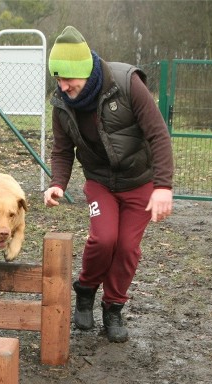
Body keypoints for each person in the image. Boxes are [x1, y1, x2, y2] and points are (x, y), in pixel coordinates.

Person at [43, 26, 174, 343]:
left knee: (127, 247)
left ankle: (113, 306)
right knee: (104, 239)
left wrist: (163, 186)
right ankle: (86, 289)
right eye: (57, 80)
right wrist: (57, 182)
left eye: (68, 79)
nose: (63, 86)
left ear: (84, 71)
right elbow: (62, 149)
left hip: (139, 182)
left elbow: (158, 134)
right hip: (100, 180)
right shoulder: (62, 104)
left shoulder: (128, 83)